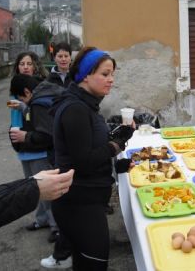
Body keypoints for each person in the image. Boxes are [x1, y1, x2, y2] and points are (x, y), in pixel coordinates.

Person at [50, 47, 135, 270]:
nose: (111, 80)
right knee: (94, 264)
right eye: (105, 74)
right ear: (86, 75)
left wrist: (119, 164)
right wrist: (117, 144)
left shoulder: (86, 105)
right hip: (78, 203)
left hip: (87, 199)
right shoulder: (75, 109)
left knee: (85, 263)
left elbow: (91, 149)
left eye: (112, 75)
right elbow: (83, 161)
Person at [9, 75, 63, 243]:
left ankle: (56, 227)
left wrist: (25, 136)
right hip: (27, 150)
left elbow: (46, 135)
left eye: (20, 97)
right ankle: (43, 220)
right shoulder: (40, 93)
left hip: (40, 152)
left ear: (26, 91)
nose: (25, 66)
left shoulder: (39, 102)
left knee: (47, 190)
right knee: (36, 189)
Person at [0, 168, 74, 238]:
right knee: (44, 191)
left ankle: (54, 227)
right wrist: (33, 189)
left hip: (38, 153)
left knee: (48, 192)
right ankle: (42, 221)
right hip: (24, 153)